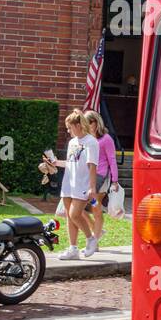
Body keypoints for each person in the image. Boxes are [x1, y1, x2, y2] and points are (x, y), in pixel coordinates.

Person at [47, 109, 99, 260]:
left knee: (74, 214)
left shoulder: (91, 142)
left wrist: (92, 187)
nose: (68, 131)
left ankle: (91, 239)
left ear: (78, 125)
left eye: (70, 127)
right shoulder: (72, 143)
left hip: (83, 184)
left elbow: (92, 165)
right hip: (69, 183)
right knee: (70, 218)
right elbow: (71, 163)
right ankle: (73, 249)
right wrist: (56, 163)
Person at [82, 109, 118, 249]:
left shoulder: (106, 139)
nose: (85, 127)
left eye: (87, 123)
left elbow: (112, 160)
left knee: (96, 209)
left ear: (95, 123)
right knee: (77, 208)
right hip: (87, 176)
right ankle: (96, 232)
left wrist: (115, 180)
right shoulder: (86, 139)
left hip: (101, 178)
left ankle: (94, 242)